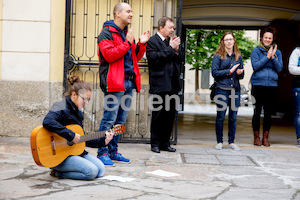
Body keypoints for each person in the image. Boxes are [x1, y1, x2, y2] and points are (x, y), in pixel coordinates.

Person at [95, 2, 150, 165]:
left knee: (120, 121)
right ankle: (102, 152)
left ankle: (113, 151)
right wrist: (127, 43)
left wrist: (141, 43)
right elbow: (109, 55)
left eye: (131, 11)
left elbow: (134, 57)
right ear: (118, 14)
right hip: (114, 83)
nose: (131, 14)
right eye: (128, 11)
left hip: (129, 83)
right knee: (109, 119)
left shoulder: (127, 34)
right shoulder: (106, 33)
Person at [42, 75, 114, 180]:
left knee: (101, 170)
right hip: (58, 155)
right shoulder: (61, 106)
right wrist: (70, 135)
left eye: (88, 99)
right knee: (91, 172)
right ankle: (58, 172)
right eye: (84, 99)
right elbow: (47, 121)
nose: (87, 103)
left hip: (73, 152)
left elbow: (82, 139)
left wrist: (103, 141)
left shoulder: (78, 113)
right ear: (74, 95)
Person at [146, 17, 181, 153]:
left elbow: (179, 60)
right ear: (161, 28)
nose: (172, 30)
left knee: (169, 115)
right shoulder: (152, 41)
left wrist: (177, 50)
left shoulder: (170, 42)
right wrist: (171, 49)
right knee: (158, 115)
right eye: (170, 27)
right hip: (159, 84)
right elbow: (154, 59)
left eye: (173, 28)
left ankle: (165, 143)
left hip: (173, 85)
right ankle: (155, 144)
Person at [211, 32, 244, 151]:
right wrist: (229, 71)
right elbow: (214, 73)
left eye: (231, 39)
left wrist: (239, 73)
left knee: (233, 117)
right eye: (226, 40)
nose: (229, 42)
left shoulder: (238, 56)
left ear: (234, 41)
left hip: (235, 90)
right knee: (220, 117)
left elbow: (242, 75)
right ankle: (219, 141)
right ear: (223, 42)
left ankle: (231, 142)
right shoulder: (218, 56)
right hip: (222, 90)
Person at [250, 27, 283, 147]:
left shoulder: (277, 52)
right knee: (257, 111)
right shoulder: (256, 51)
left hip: (272, 85)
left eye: (270, 38)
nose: (268, 40)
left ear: (273, 39)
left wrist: (273, 57)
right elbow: (256, 66)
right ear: (262, 38)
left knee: (268, 112)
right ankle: (256, 137)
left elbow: (279, 68)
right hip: (258, 84)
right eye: (266, 38)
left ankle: (265, 137)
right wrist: (267, 56)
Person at [288, 46, 300, 147]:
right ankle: (299, 138)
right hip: (298, 87)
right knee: (299, 113)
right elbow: (292, 69)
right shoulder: (297, 51)